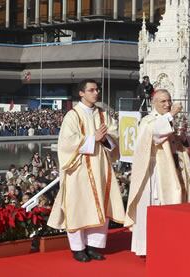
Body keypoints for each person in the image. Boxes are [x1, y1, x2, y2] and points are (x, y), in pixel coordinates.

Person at [47, 79, 126, 263]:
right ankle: (78, 248)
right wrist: (93, 138)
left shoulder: (103, 114)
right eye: (91, 90)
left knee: (100, 204)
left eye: (97, 89)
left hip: (100, 167)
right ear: (81, 93)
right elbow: (67, 142)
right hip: (78, 168)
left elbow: (115, 135)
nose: (96, 93)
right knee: (78, 206)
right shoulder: (72, 115)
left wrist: (105, 139)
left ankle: (93, 246)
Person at [124, 89, 190, 256]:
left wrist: (183, 138)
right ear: (153, 103)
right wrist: (170, 115)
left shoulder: (172, 119)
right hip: (155, 172)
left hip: (174, 169)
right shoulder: (148, 121)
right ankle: (149, 248)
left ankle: (170, 245)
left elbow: (185, 144)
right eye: (163, 101)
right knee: (154, 207)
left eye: (169, 101)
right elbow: (155, 135)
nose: (167, 104)